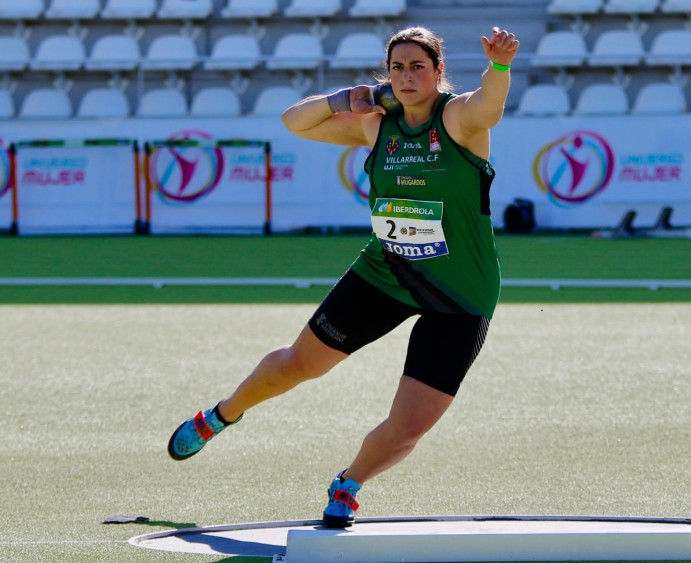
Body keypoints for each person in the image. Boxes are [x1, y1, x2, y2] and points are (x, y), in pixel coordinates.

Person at [167, 25, 519, 528]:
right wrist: (343, 99)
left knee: (410, 426)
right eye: (396, 67)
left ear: (439, 72)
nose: (406, 76)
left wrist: (500, 66)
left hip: (459, 292)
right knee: (297, 365)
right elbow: (295, 121)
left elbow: (491, 105)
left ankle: (349, 484)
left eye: (418, 66)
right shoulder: (376, 125)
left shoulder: (459, 118)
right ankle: (221, 414)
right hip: (386, 271)